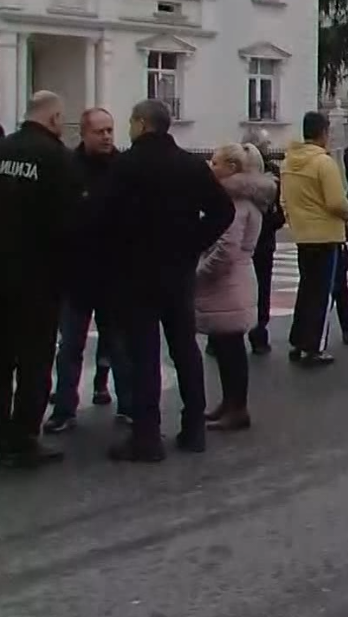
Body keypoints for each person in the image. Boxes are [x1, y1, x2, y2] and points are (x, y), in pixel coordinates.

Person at [94, 99, 234, 461]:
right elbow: (223, 210)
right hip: (178, 270)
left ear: (142, 124)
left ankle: (146, 436)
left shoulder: (125, 166)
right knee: (185, 349)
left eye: (130, 121)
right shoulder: (190, 165)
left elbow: (101, 217)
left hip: (135, 272)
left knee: (144, 354)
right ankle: (193, 429)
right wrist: (194, 242)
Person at [0, 92, 82, 468]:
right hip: (39, 279)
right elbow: (68, 225)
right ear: (53, 120)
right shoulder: (58, 160)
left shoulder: (4, 149)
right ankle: (24, 437)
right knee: (34, 361)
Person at [45, 107, 130, 434]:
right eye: (100, 131)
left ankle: (129, 405)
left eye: (110, 130)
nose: (107, 136)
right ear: (84, 133)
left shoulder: (122, 167)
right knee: (70, 347)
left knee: (120, 345)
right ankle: (65, 408)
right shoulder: (68, 167)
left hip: (113, 274)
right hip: (77, 273)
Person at [195, 143, 276, 432]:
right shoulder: (236, 200)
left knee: (230, 347)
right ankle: (230, 403)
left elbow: (227, 249)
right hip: (232, 280)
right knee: (227, 346)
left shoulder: (237, 204)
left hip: (228, 282)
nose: (210, 167)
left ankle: (236, 407)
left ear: (232, 168)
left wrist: (199, 274)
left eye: (215, 162)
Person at [281, 111, 348, 366]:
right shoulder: (324, 163)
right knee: (324, 294)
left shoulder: (289, 163)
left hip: (303, 235)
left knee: (306, 289)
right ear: (323, 132)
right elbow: (336, 201)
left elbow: (284, 200)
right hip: (326, 234)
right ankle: (315, 346)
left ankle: (299, 340)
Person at [248, 135, 285, 355]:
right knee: (262, 287)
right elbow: (275, 211)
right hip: (263, 240)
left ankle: (220, 336)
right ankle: (259, 333)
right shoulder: (272, 174)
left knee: (231, 285)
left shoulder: (231, 173)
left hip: (244, 240)